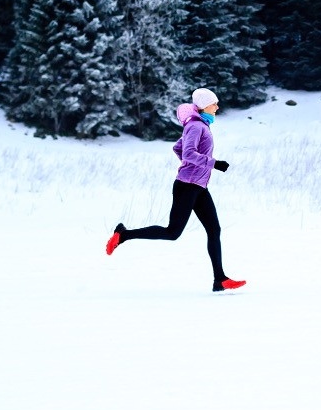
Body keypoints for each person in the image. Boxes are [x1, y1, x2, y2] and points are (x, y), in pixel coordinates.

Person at [105, 88, 246, 293]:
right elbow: (188, 153)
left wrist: (195, 167)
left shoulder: (199, 125)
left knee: (214, 230)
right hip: (187, 186)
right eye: (214, 103)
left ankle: (220, 279)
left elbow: (178, 149)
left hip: (198, 186)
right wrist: (213, 164)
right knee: (172, 232)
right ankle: (123, 235)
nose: (217, 107)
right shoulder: (197, 126)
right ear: (203, 106)